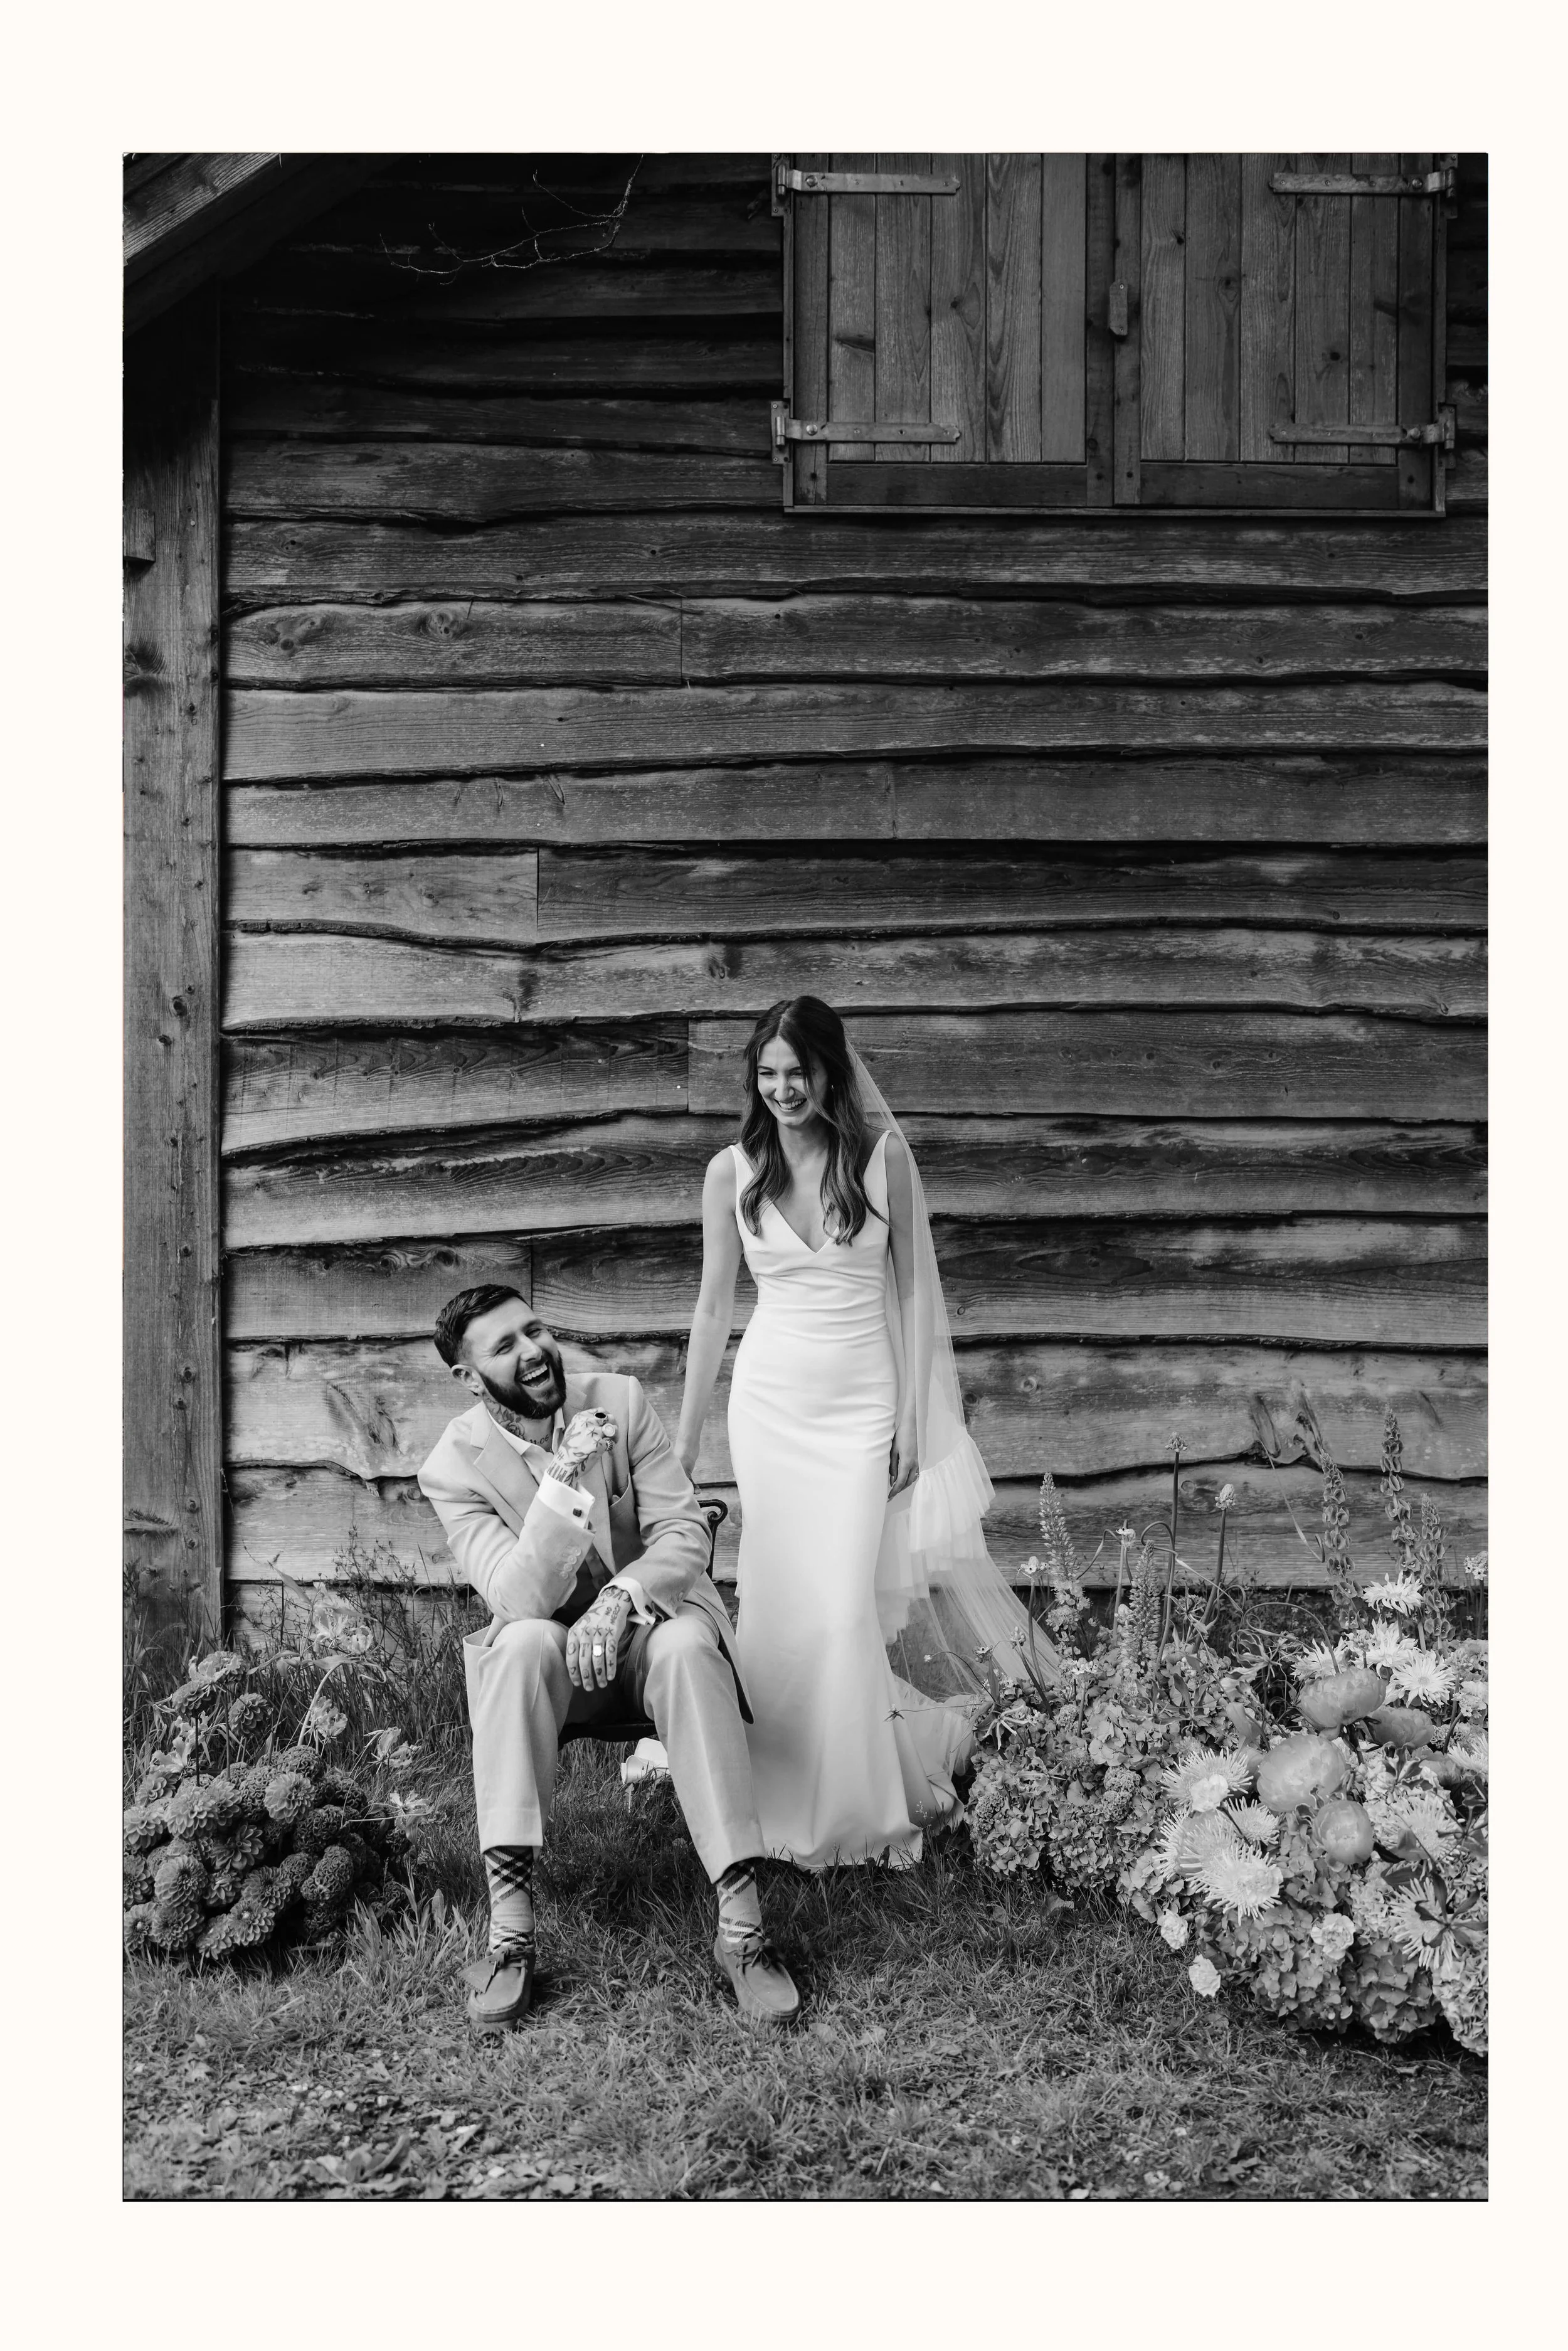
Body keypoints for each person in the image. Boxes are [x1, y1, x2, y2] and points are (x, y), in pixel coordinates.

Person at [674, 996, 1059, 1871]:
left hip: (860, 1409)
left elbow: (919, 1289)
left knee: (843, 1605)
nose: (782, 1091)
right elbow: (709, 1308)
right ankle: (767, 1785)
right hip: (768, 1408)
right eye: (767, 1076)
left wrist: (921, 1420)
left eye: (796, 1074)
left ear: (828, 1073)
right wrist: (689, 1436)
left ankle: (859, 1801)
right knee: (776, 1598)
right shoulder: (730, 1173)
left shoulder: (882, 1161)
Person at [418, 1285, 800, 2031]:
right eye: (504, 1346)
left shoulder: (619, 1401)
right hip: (559, 1662)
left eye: (534, 1330)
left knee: (689, 1643)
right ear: (468, 1377)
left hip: (652, 1639)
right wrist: (561, 1478)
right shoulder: (452, 1467)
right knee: (519, 1645)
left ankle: (744, 1932)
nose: (532, 1350)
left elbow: (683, 1535)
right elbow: (518, 1596)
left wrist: (622, 1597)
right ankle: (510, 1938)